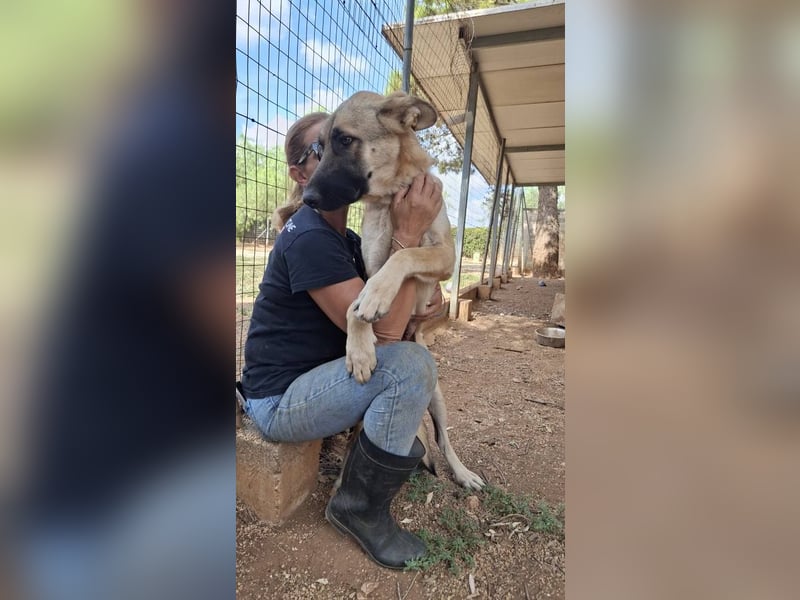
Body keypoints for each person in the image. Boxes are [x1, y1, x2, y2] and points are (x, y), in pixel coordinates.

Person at [239, 112, 444, 569]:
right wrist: (408, 236)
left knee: (406, 356)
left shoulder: (346, 237)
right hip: (280, 400)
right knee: (411, 365)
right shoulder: (309, 236)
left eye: (343, 144)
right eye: (323, 149)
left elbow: (397, 314)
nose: (336, 158)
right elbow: (387, 334)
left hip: (315, 381)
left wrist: (430, 302)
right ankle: (357, 509)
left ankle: (377, 456)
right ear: (300, 174)